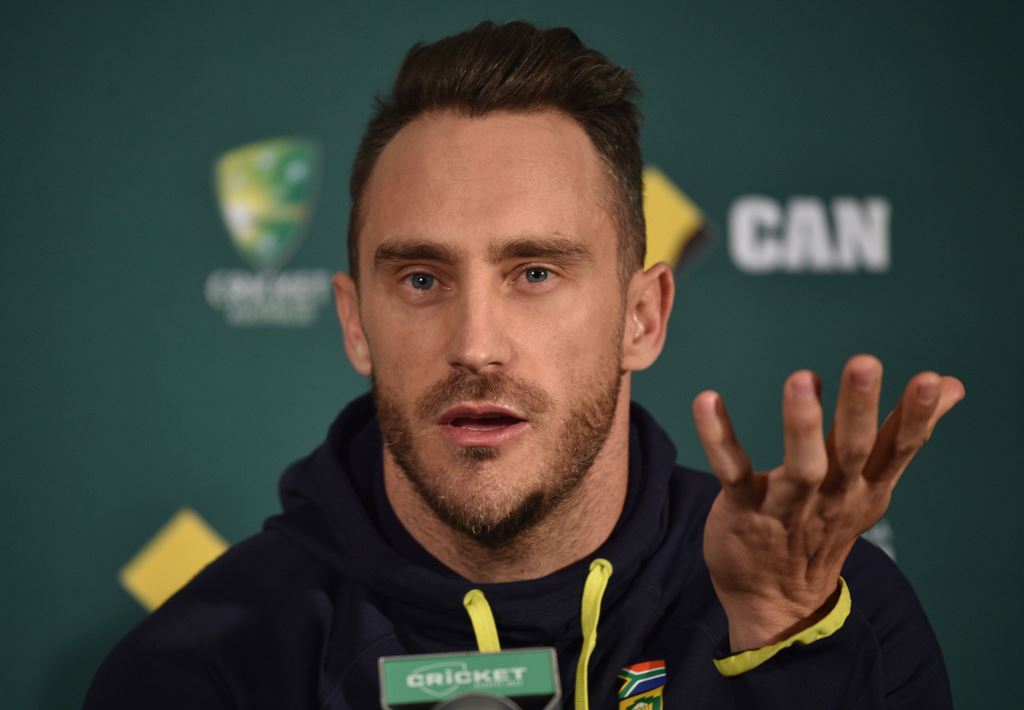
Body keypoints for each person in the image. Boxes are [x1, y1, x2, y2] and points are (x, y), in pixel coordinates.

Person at [84, 21, 964, 709]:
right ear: (355, 324)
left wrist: (781, 650)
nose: (476, 345)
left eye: (535, 273)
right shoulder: (202, 669)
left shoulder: (833, 615)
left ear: (643, 317)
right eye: (421, 278)